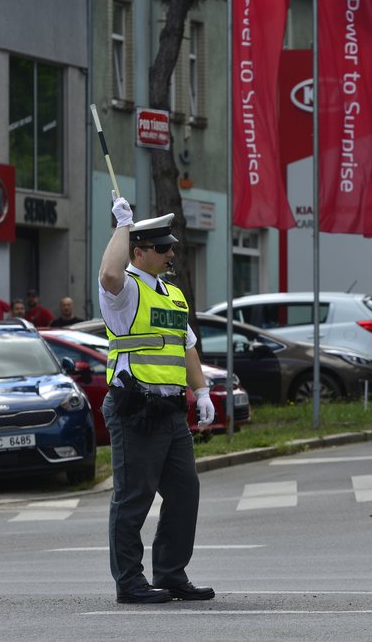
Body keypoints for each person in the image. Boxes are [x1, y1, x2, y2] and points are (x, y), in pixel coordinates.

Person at [99, 190, 215, 605]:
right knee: (133, 498)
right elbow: (109, 275)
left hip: (169, 409)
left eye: (170, 248)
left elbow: (186, 346)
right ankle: (129, 582)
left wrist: (200, 390)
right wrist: (121, 225)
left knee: (185, 493)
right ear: (139, 251)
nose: (170, 255)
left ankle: (170, 573)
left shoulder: (172, 294)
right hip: (135, 408)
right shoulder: (125, 290)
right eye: (163, 248)